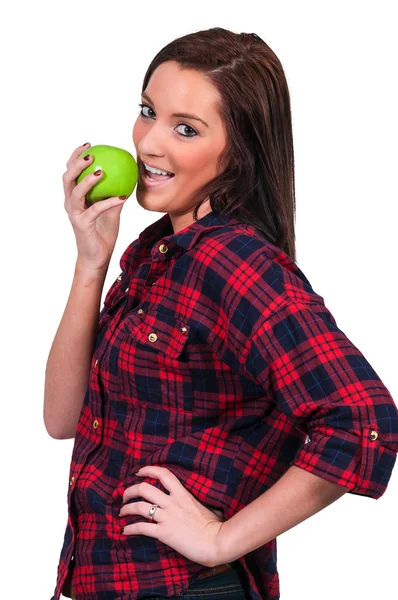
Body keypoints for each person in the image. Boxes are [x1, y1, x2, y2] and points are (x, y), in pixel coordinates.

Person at [44, 27, 398, 600]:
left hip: (185, 587)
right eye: (147, 111)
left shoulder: (234, 261)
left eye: (185, 128)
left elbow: (362, 421)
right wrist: (92, 262)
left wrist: (219, 539)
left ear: (239, 150)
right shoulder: (153, 258)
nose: (149, 144)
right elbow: (64, 418)